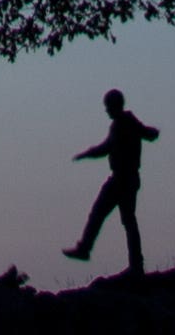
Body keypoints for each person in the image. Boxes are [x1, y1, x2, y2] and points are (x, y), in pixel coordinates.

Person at [61, 89, 160, 276]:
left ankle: (86, 250)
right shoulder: (129, 122)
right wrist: (152, 132)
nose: (106, 111)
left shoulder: (122, 124)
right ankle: (135, 264)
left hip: (122, 179)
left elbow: (106, 147)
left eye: (108, 107)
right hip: (128, 178)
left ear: (114, 106)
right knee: (128, 220)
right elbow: (148, 134)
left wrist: (87, 154)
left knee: (102, 213)